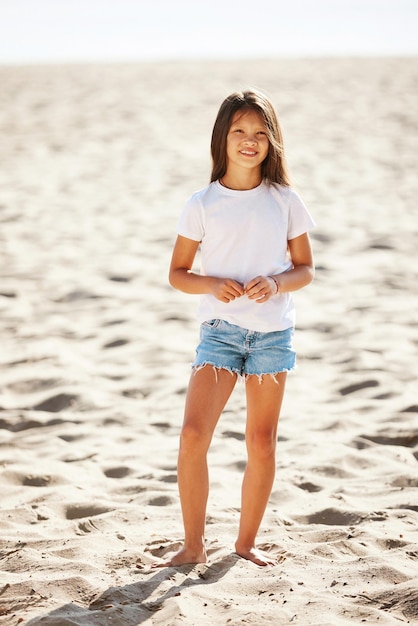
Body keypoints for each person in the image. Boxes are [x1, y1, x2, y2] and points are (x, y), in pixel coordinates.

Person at [162, 89, 315, 567]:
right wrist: (212, 283)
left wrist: (276, 281)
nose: (250, 141)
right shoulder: (202, 203)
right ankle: (192, 545)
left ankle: (245, 543)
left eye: (260, 133)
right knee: (192, 435)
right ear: (222, 138)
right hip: (220, 334)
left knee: (261, 442)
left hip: (272, 337)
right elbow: (178, 273)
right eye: (239, 132)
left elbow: (305, 268)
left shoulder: (285, 200)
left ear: (272, 142)